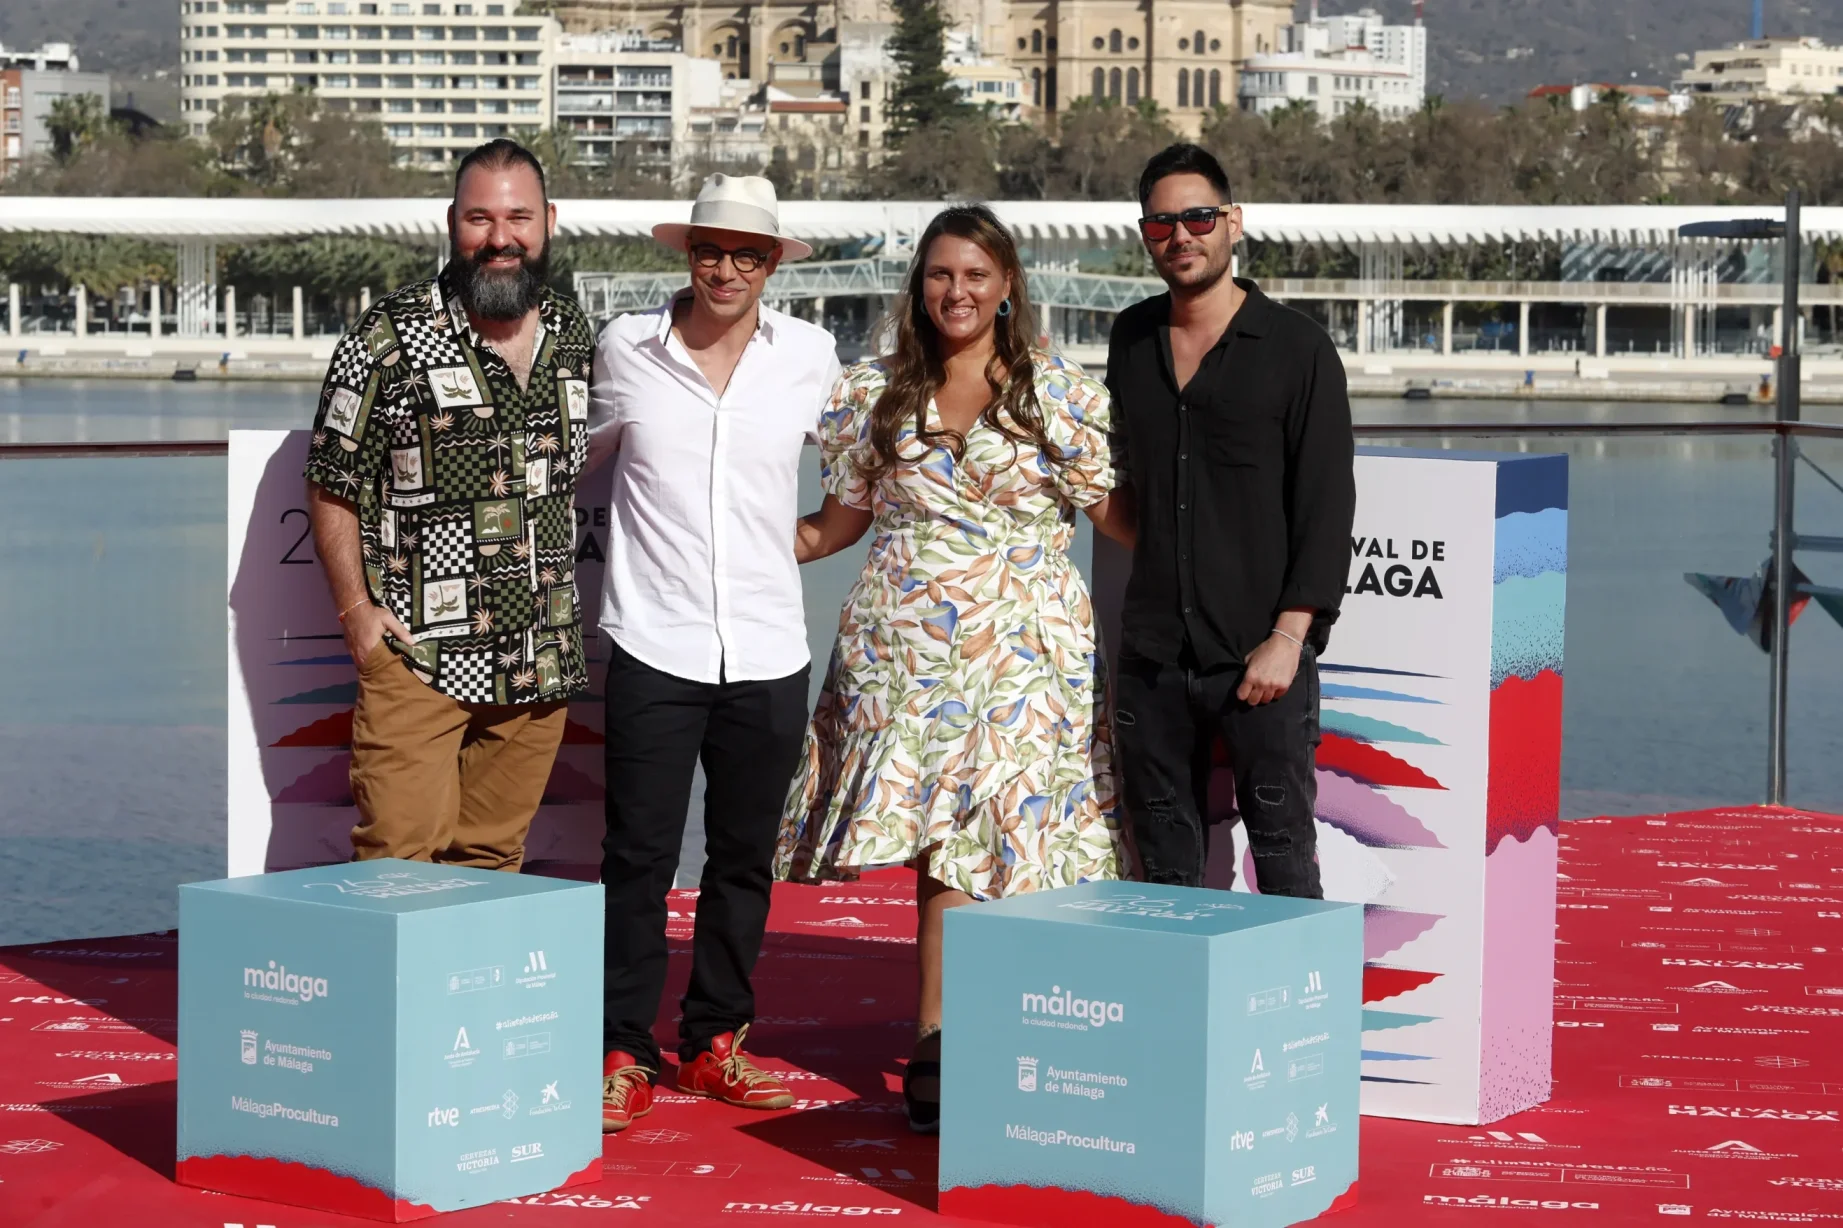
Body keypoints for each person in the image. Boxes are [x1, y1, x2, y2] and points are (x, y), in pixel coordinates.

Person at [775, 204, 1138, 1135]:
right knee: (943, 845)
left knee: (1033, 833)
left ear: (1008, 283)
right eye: (940, 275)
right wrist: (736, 547)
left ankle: (1038, 1030)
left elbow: (1118, 522)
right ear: (918, 286)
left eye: (976, 275)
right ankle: (937, 1037)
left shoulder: (1059, 395)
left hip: (1028, 646)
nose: (957, 292)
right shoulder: (874, 394)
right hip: (906, 650)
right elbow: (836, 525)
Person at [585, 175, 841, 1134]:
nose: (726, 268)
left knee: (744, 859)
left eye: (748, 254)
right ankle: (623, 1049)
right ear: (685, 253)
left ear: (773, 265)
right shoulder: (625, 350)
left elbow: (858, 476)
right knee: (637, 858)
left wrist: (805, 540)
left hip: (771, 646)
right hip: (654, 638)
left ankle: (713, 1042)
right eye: (710, 249)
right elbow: (574, 470)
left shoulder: (811, 357)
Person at [304, 138, 593, 871]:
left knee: (493, 863)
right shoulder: (386, 339)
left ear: (548, 222)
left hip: (538, 657)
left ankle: (475, 992)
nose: (500, 238)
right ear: (452, 223)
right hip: (417, 654)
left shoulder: (572, 333)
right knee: (398, 862)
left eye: (518, 217)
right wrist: (357, 617)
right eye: (480, 218)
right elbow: (331, 481)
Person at [1105, 143, 1355, 895]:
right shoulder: (1129, 339)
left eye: (1198, 216)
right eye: (1160, 224)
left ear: (1232, 222)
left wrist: (1288, 637)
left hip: (1261, 661)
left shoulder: (1298, 350)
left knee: (1282, 858)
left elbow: (1324, 504)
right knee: (1164, 874)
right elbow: (1118, 483)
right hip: (1151, 664)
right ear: (1144, 234)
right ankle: (1175, 1014)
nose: (1180, 236)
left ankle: (1306, 1014)